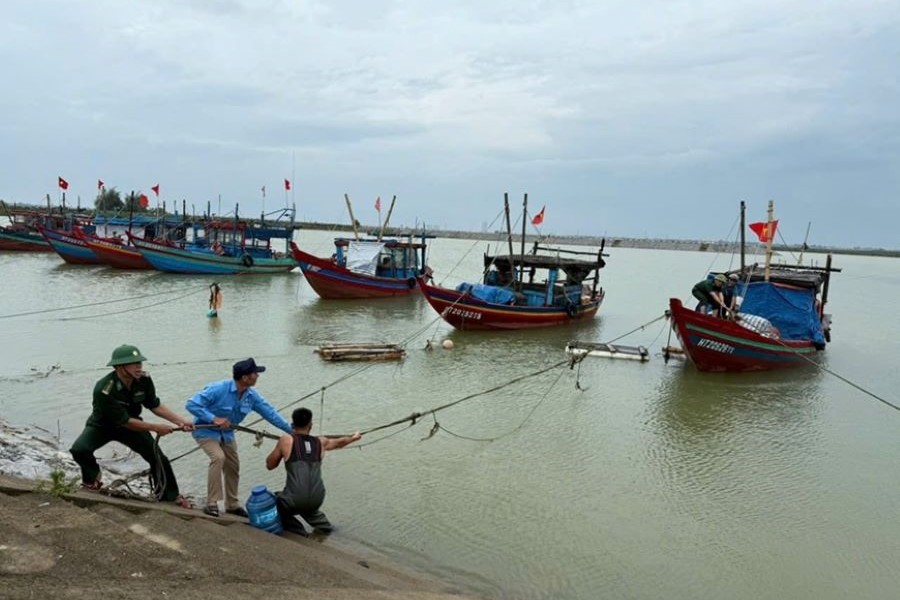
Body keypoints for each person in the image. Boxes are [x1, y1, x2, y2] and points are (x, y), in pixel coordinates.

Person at [69, 345, 194, 508]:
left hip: (132, 426)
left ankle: (169, 496)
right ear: (120, 367)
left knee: (158, 458)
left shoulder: (144, 380)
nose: (139, 367)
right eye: (133, 363)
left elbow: (154, 405)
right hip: (103, 425)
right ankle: (92, 479)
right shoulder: (104, 389)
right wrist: (156, 427)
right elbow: (124, 420)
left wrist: (180, 421)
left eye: (139, 363)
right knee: (79, 449)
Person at [186, 358, 292, 518]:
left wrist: (292, 431)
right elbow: (191, 404)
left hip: (227, 434)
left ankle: (232, 504)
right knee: (218, 457)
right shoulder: (218, 389)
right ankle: (212, 503)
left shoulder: (251, 396)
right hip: (206, 431)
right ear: (245, 378)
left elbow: (270, 413)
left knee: (233, 467)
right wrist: (213, 418)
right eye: (255, 373)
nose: (258, 376)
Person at [266, 407, 362, 535]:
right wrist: (354, 437)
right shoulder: (320, 442)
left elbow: (270, 465)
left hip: (295, 499)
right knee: (308, 508)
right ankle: (327, 529)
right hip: (317, 498)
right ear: (310, 425)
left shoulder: (286, 440)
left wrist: (280, 446)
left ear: (293, 425)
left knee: (269, 501)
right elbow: (340, 442)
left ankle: (298, 530)